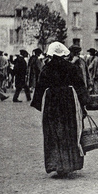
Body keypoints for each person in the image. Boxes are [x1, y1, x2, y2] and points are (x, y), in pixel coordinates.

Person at [30, 42, 90, 177]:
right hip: (69, 102)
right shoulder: (71, 67)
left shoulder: (46, 69)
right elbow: (80, 85)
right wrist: (84, 103)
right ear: (63, 53)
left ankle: (56, 164)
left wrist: (39, 104)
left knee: (53, 132)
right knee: (70, 131)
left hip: (52, 103)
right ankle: (70, 164)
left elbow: (40, 88)